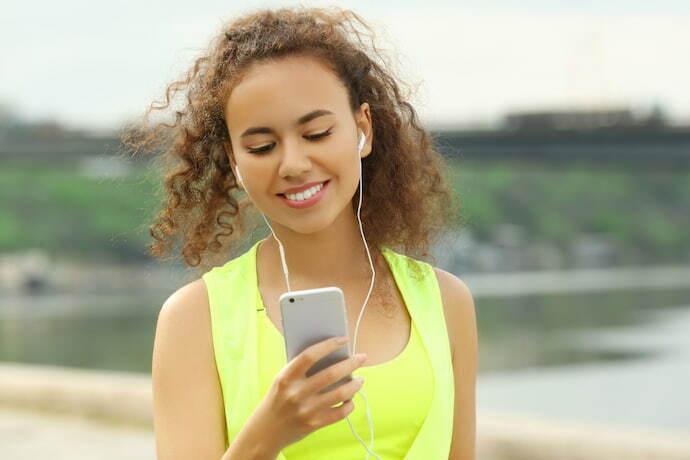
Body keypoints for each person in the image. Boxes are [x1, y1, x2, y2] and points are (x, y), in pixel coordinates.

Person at [120, 5, 477, 459]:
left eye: (317, 133)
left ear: (362, 129)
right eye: (261, 147)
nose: (292, 165)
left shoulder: (445, 302)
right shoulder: (195, 319)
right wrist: (267, 434)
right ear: (234, 161)